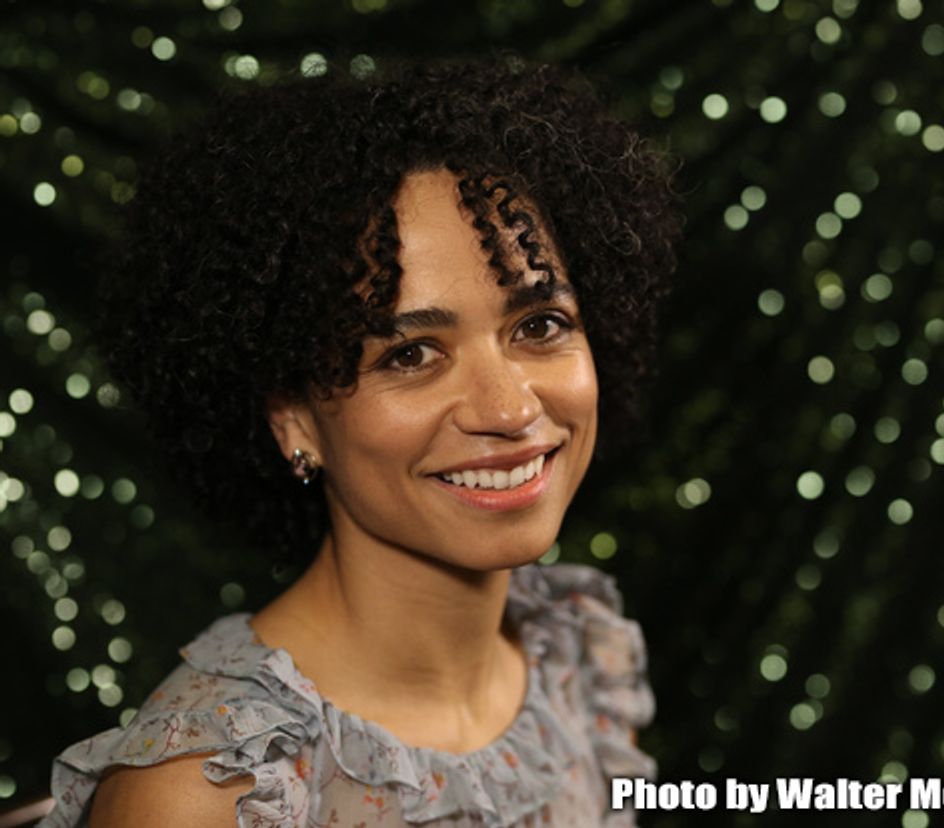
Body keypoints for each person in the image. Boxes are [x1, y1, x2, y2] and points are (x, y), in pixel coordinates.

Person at [39, 56, 679, 827]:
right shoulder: (210, 791)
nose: (510, 408)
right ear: (294, 420)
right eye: (411, 354)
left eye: (540, 324)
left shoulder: (583, 656)